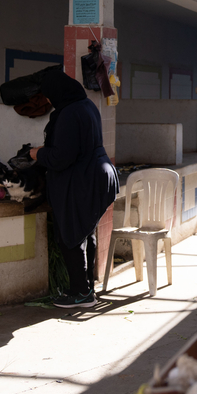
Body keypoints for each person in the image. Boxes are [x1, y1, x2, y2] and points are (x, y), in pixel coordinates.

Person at [30, 68, 120, 309]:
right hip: (98, 176)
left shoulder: (68, 113)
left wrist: (37, 153)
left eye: (48, 95)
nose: (48, 100)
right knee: (83, 233)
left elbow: (62, 157)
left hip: (83, 181)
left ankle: (79, 292)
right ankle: (86, 290)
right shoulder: (86, 105)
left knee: (69, 236)